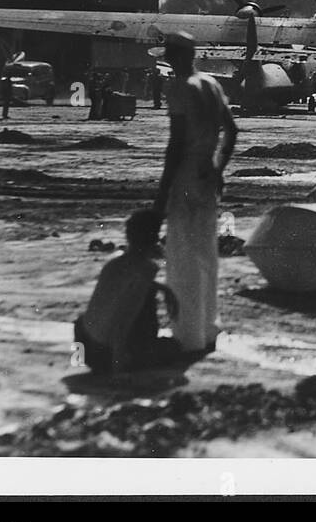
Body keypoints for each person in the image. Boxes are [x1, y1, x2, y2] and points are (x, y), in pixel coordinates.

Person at [153, 31, 238, 354]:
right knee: (205, 253)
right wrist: (218, 168)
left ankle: (186, 335)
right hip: (206, 176)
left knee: (182, 256)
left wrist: (162, 193)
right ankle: (207, 329)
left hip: (186, 175)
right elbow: (231, 130)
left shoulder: (177, 87)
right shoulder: (211, 85)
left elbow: (175, 146)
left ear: (174, 55)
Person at [74, 210, 181, 375]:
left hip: (87, 347)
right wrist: (118, 368)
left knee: (84, 318)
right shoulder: (146, 269)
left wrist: (162, 287)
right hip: (108, 356)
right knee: (173, 347)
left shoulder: (114, 263)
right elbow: (123, 319)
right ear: (154, 239)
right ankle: (132, 355)